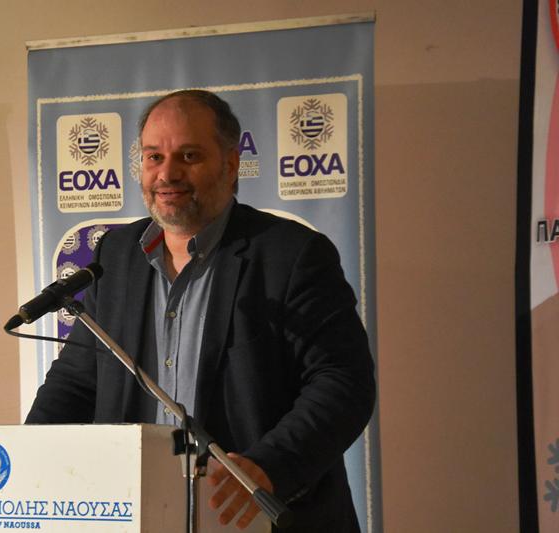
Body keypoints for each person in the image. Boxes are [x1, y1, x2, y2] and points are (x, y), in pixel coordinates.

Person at [26, 90, 376, 532]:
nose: (167, 173)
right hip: (142, 514)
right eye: (154, 157)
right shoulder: (115, 255)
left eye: (188, 156)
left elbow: (343, 382)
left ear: (230, 164)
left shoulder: (292, 255)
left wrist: (270, 466)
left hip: (254, 515)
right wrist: (27, 460)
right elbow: (76, 382)